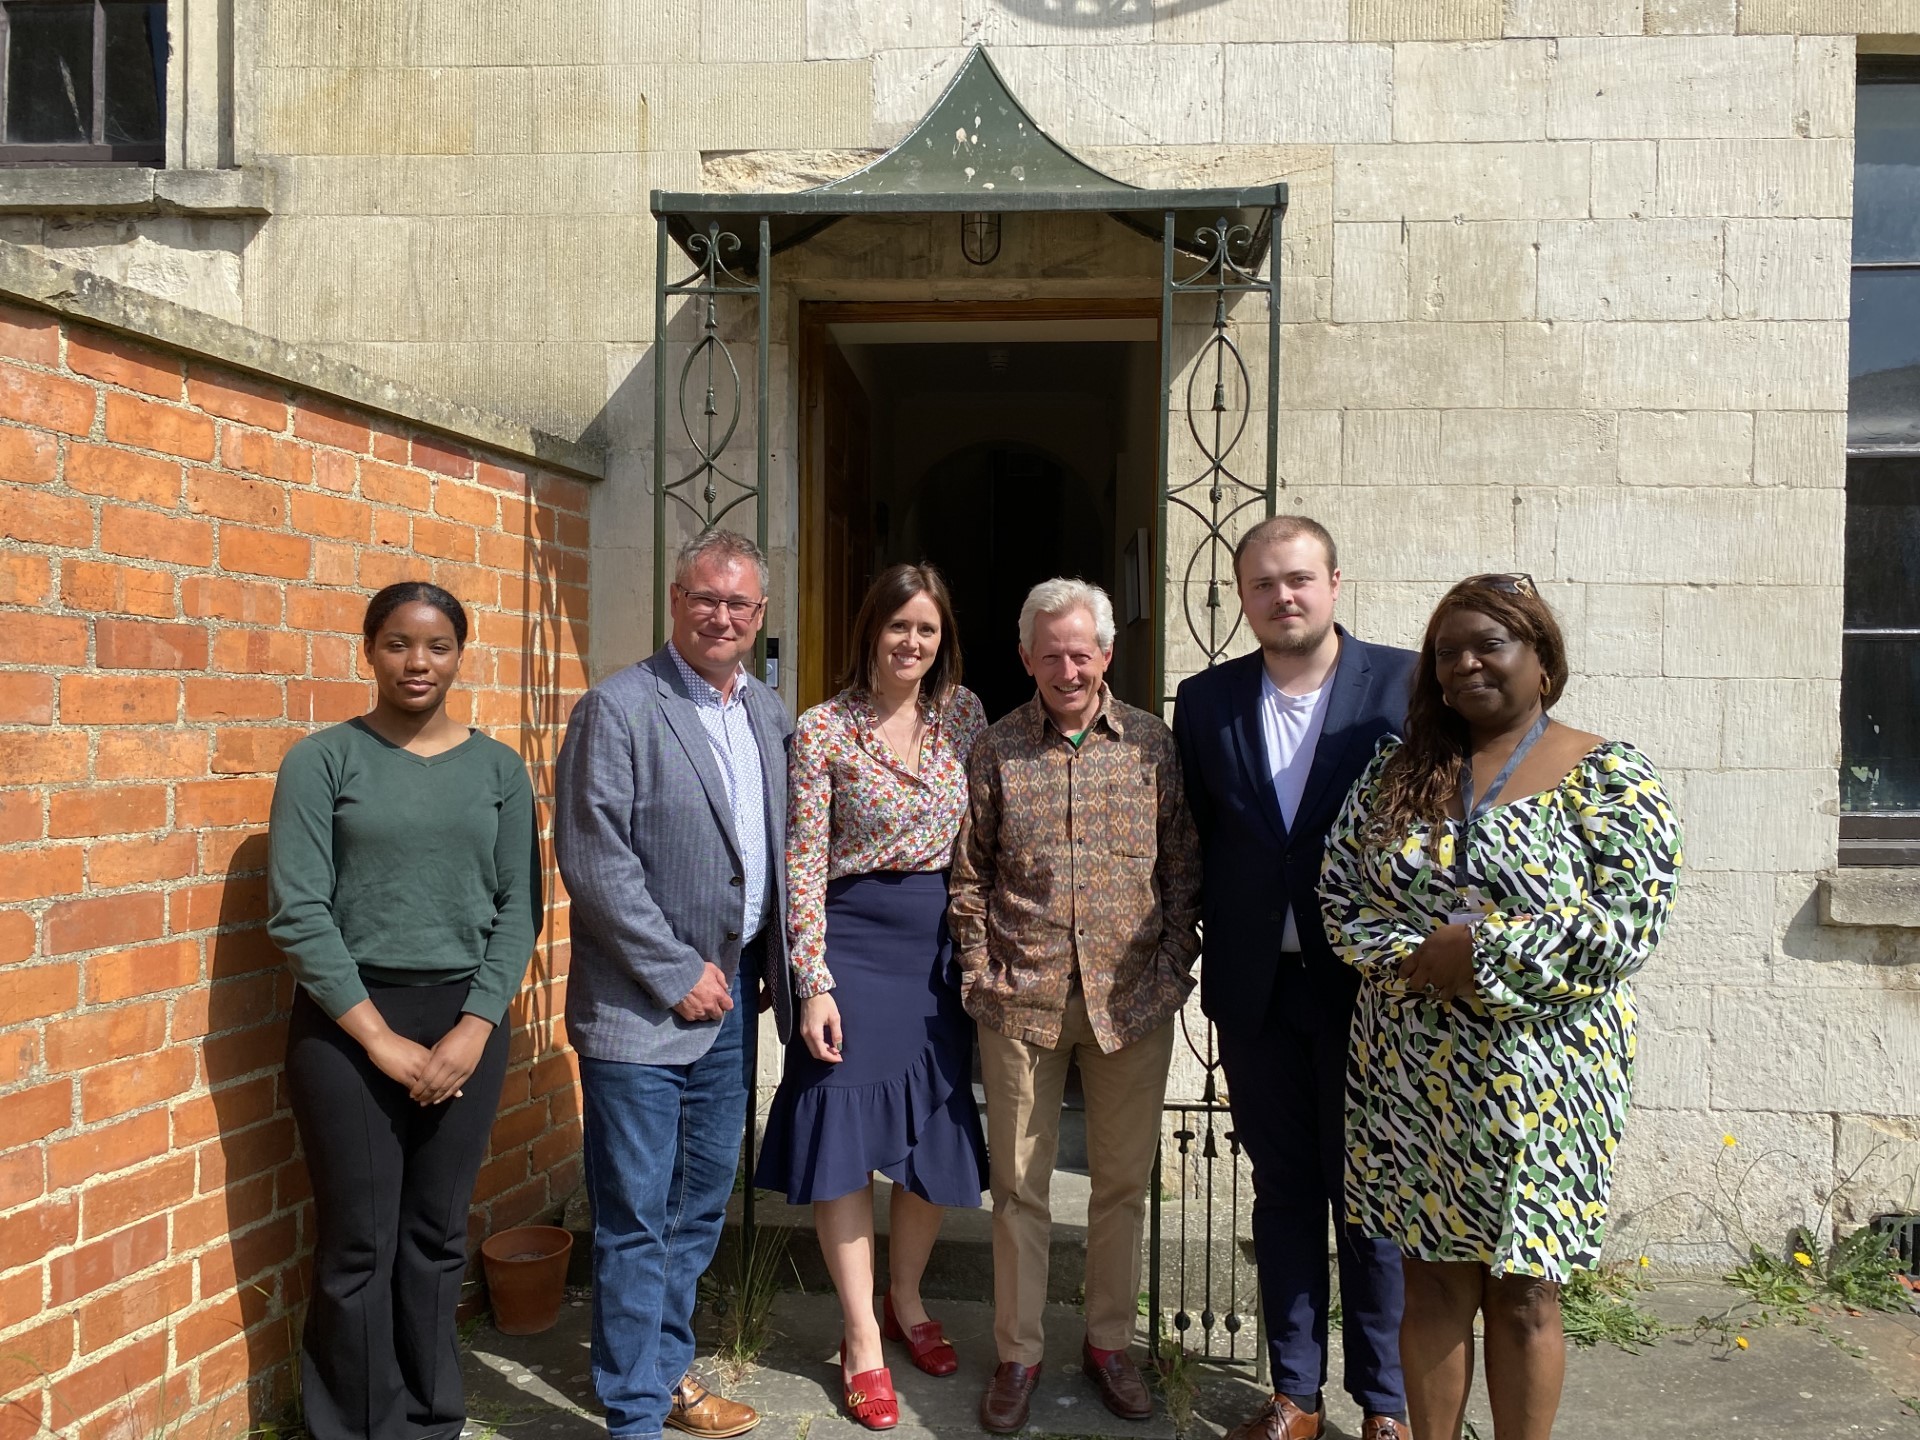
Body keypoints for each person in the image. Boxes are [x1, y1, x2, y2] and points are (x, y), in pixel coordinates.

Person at [1320, 574, 1682, 1440]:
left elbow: (1627, 923)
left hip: (1549, 1078)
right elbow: (1342, 900)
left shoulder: (1610, 776)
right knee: (1434, 1278)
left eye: (1489, 644)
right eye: (1447, 652)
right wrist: (1418, 958)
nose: (1465, 664)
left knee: (1525, 1290)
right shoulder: (1393, 775)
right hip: (1413, 1072)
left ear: (1543, 661)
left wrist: (1479, 951)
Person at [267, 581, 540, 1440]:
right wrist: (379, 1039)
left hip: (466, 1018)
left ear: (461, 654)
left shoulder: (498, 769)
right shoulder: (323, 760)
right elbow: (298, 911)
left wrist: (473, 1027)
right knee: (357, 1244)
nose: (416, 662)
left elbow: (519, 908)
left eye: (435, 646)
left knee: (434, 1237)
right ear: (369, 649)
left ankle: (428, 1422)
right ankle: (351, 1427)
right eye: (397, 643)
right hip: (348, 1023)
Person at [1172, 517, 1415, 1440]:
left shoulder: (1400, 686)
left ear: (1336, 583)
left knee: (1370, 1195)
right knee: (1281, 1190)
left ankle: (1385, 1404)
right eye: (1265, 584)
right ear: (1243, 598)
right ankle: (1297, 1394)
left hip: (1367, 991)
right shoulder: (1207, 702)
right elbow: (1199, 836)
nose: (1285, 597)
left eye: (1301, 579)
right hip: (1255, 991)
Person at [555, 530, 794, 1440]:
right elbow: (594, 858)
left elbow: (773, 853)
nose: (720, 616)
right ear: (674, 600)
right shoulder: (617, 708)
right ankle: (632, 1414)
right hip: (638, 1010)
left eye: (738, 604)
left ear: (760, 615)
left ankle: (662, 1375)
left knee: (697, 1206)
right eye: (705, 598)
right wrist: (673, 971)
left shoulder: (770, 714)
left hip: (731, 1004)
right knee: (633, 1215)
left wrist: (772, 967)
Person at [949, 578, 1202, 1435]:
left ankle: (1108, 1345)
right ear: (1026, 658)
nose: (1067, 666)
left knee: (1121, 1186)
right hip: (1020, 999)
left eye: (1080, 650)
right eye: (1049, 652)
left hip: (1130, 1002)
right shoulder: (994, 750)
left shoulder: (1151, 747)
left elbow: (1183, 869)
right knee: (1018, 1189)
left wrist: (1172, 970)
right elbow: (969, 874)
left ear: (1106, 653)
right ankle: (1018, 1354)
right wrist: (981, 971)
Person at [755, 563, 990, 1431]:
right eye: (898, 627)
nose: (912, 643)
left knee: (933, 1129)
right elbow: (803, 868)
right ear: (870, 631)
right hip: (851, 944)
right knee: (844, 1136)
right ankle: (860, 1339)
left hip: (938, 947)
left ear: (943, 638)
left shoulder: (963, 716)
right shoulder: (821, 730)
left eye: (926, 629)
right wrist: (811, 983)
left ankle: (906, 1298)